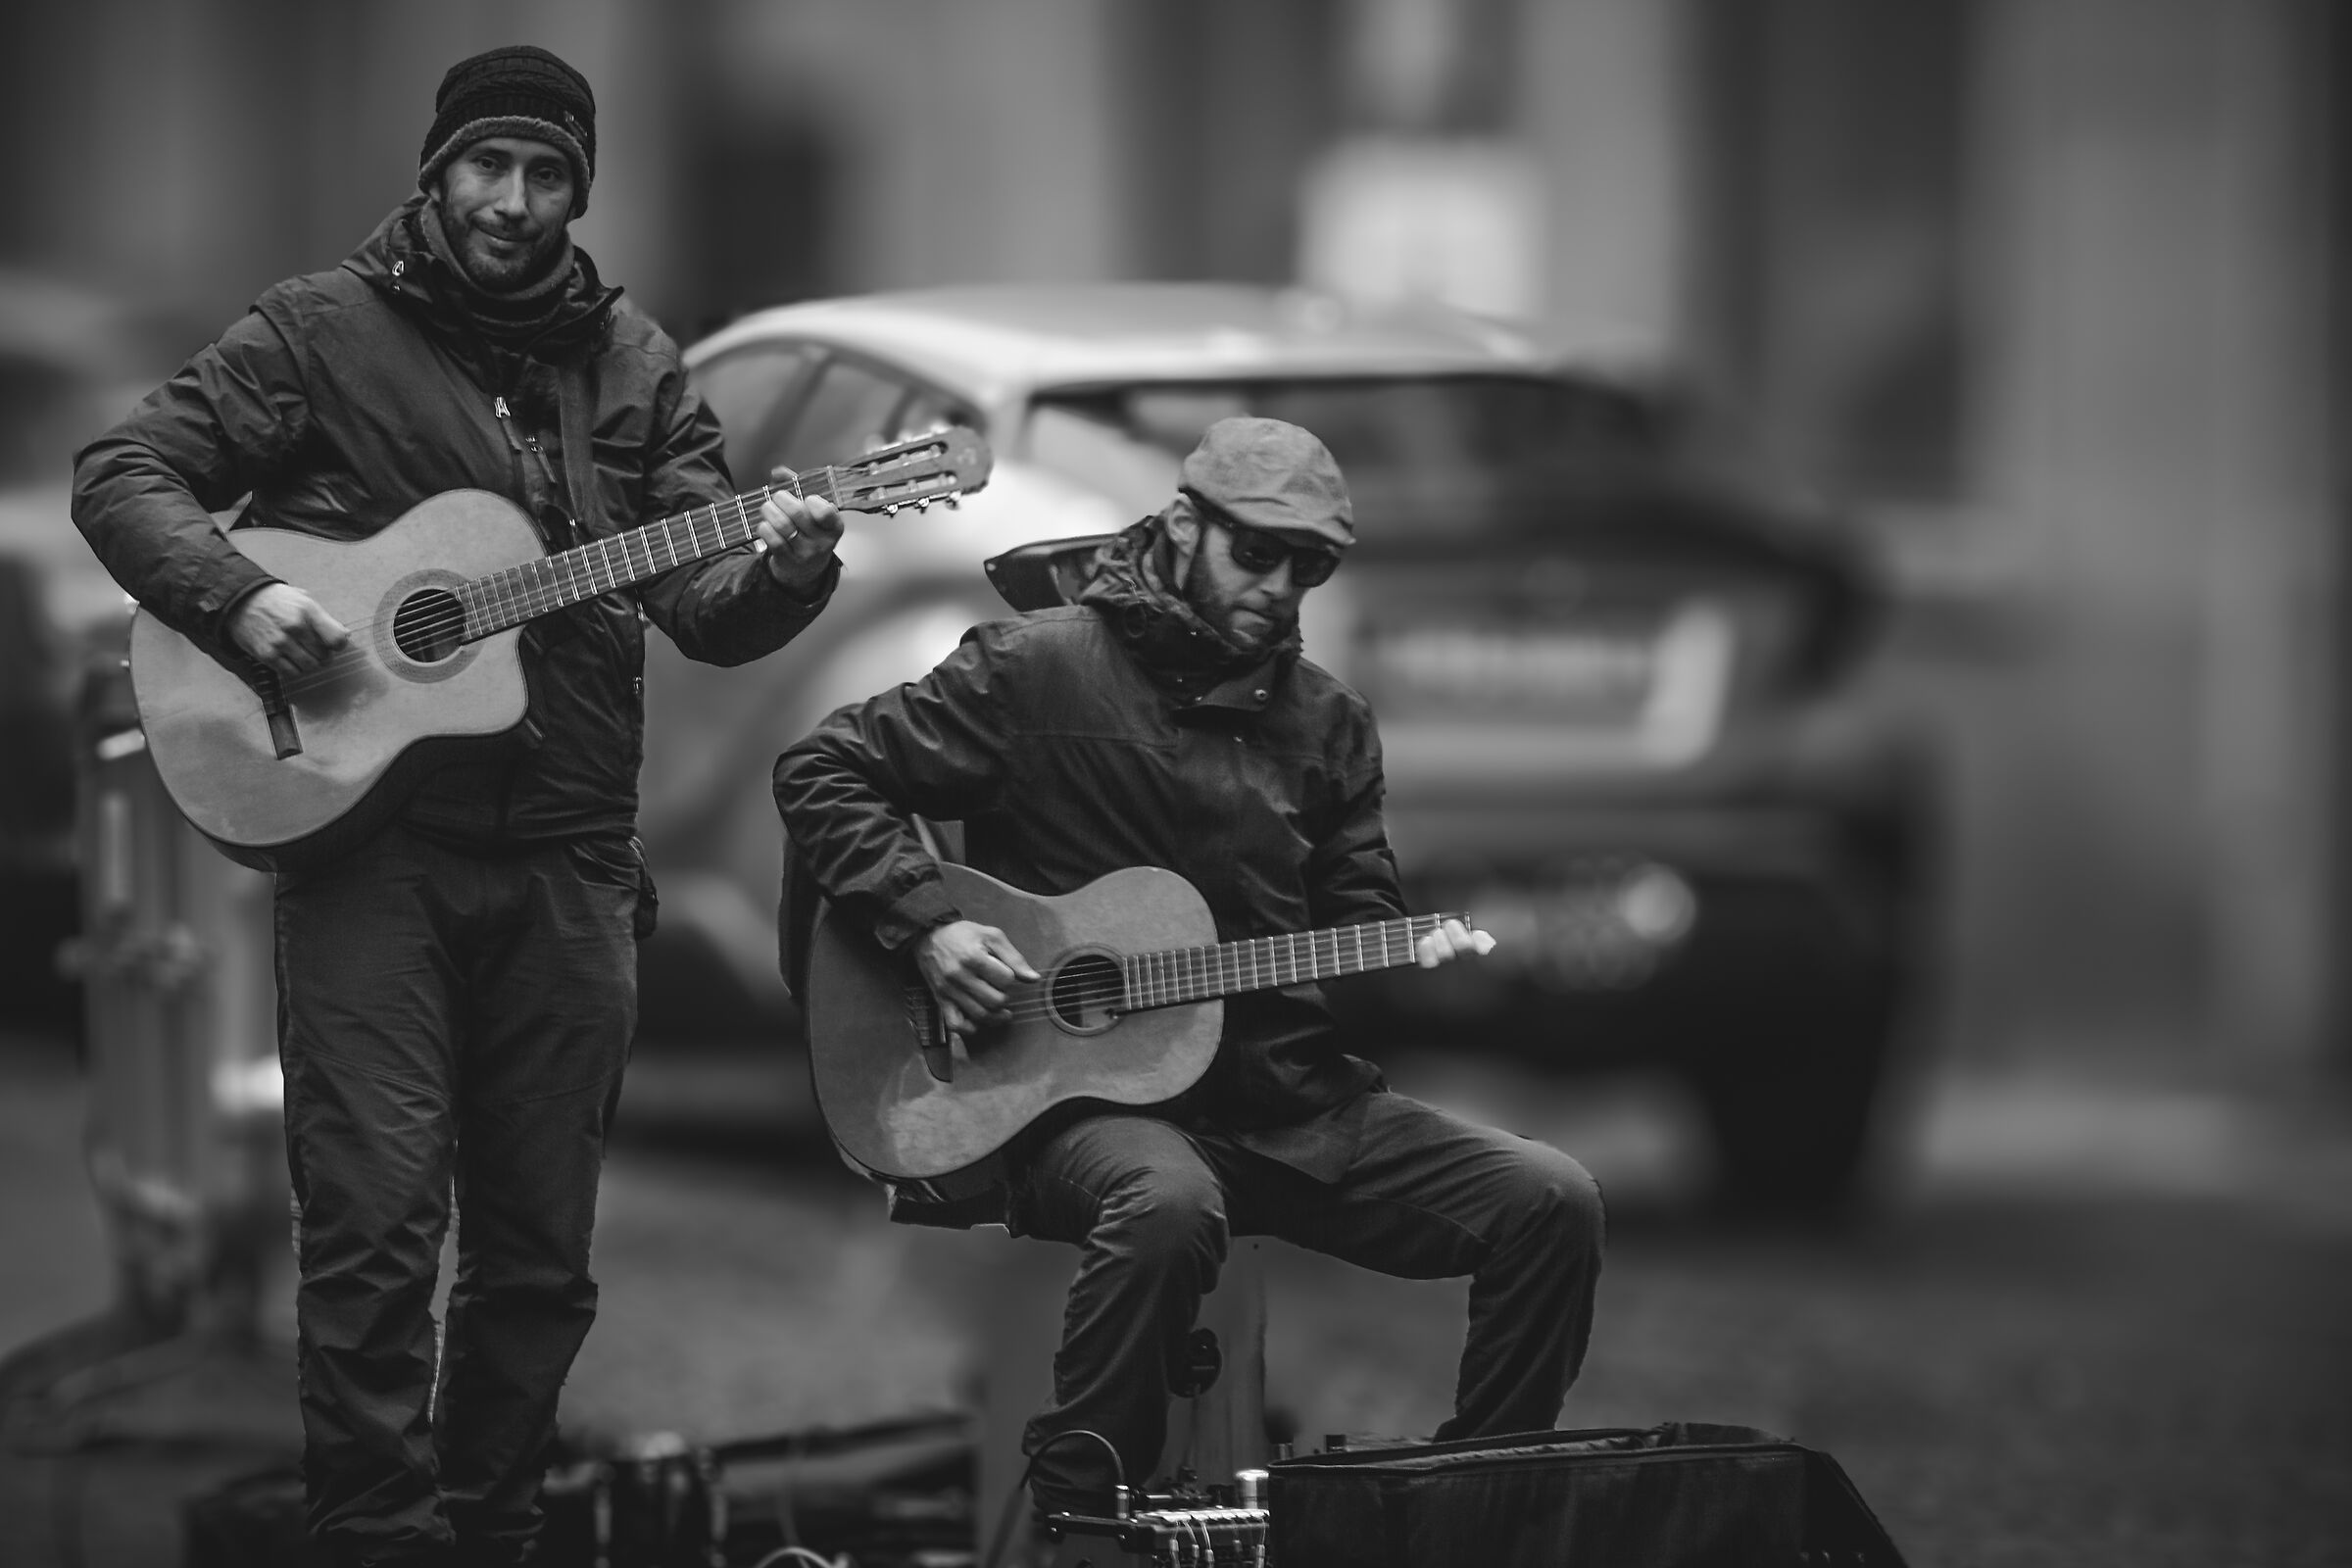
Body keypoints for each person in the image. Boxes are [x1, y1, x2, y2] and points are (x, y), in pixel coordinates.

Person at [71, 44, 843, 1568]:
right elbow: (126, 468)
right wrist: (244, 600)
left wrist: (789, 567)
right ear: (437, 172)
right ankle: (376, 1541)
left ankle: (489, 1533)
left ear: (579, 193)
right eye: (488, 166)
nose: (514, 202)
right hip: (378, 858)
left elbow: (702, 594)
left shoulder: (635, 363)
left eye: (548, 175)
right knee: (372, 1231)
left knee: (543, 1256)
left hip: (567, 858)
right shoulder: (319, 332)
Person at [772, 415, 1605, 1519]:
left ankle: (1478, 1502)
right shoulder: (1035, 670)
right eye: (1256, 552)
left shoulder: (1330, 726)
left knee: (1552, 1199)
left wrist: (1424, 962)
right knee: (1168, 1201)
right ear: (1180, 526)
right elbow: (825, 769)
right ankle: (1081, 1497)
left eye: (1307, 567)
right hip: (1075, 1108)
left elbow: (1361, 926)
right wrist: (928, 922)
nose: (1279, 586)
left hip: (1286, 1107)